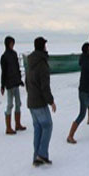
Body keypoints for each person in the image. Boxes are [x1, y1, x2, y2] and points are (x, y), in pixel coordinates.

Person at [26, 37, 57, 166]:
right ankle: (42, 154)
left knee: (38, 128)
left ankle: (36, 157)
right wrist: (51, 101)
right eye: (45, 45)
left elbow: (27, 82)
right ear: (42, 47)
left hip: (31, 102)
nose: (46, 47)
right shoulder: (42, 64)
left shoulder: (30, 62)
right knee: (48, 125)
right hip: (39, 102)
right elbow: (45, 86)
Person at [0, 36, 26, 135]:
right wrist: (2, 85)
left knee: (18, 103)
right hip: (9, 84)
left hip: (15, 82)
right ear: (8, 44)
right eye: (12, 43)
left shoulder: (14, 54)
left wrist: (20, 80)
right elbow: (3, 72)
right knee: (10, 104)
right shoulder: (4, 56)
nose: (13, 45)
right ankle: (8, 127)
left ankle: (17, 124)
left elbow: (17, 68)